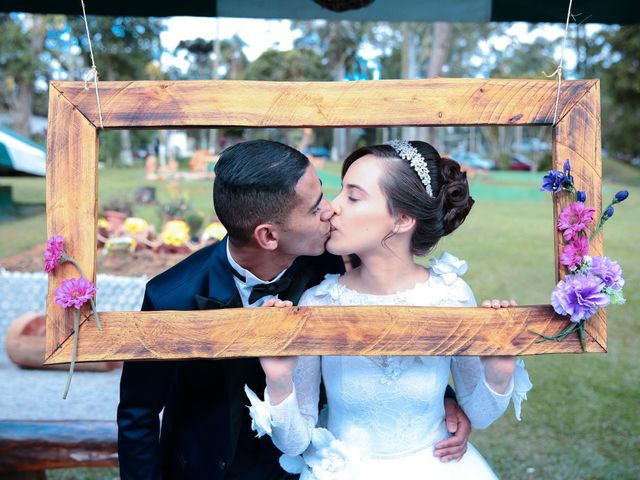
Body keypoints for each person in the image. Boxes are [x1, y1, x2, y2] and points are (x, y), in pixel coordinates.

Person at [117, 140, 472, 480]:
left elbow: (389, 317)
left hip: (303, 466)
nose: (330, 209)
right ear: (269, 237)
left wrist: (443, 396)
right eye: (315, 206)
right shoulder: (171, 298)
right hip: (207, 470)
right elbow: (138, 413)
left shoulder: (336, 266)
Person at [247, 140, 533, 479]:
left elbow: (479, 414)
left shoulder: (451, 295)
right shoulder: (319, 303)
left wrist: (499, 376)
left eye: (353, 197)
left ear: (402, 219)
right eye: (341, 193)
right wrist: (279, 383)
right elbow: (295, 442)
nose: (332, 208)